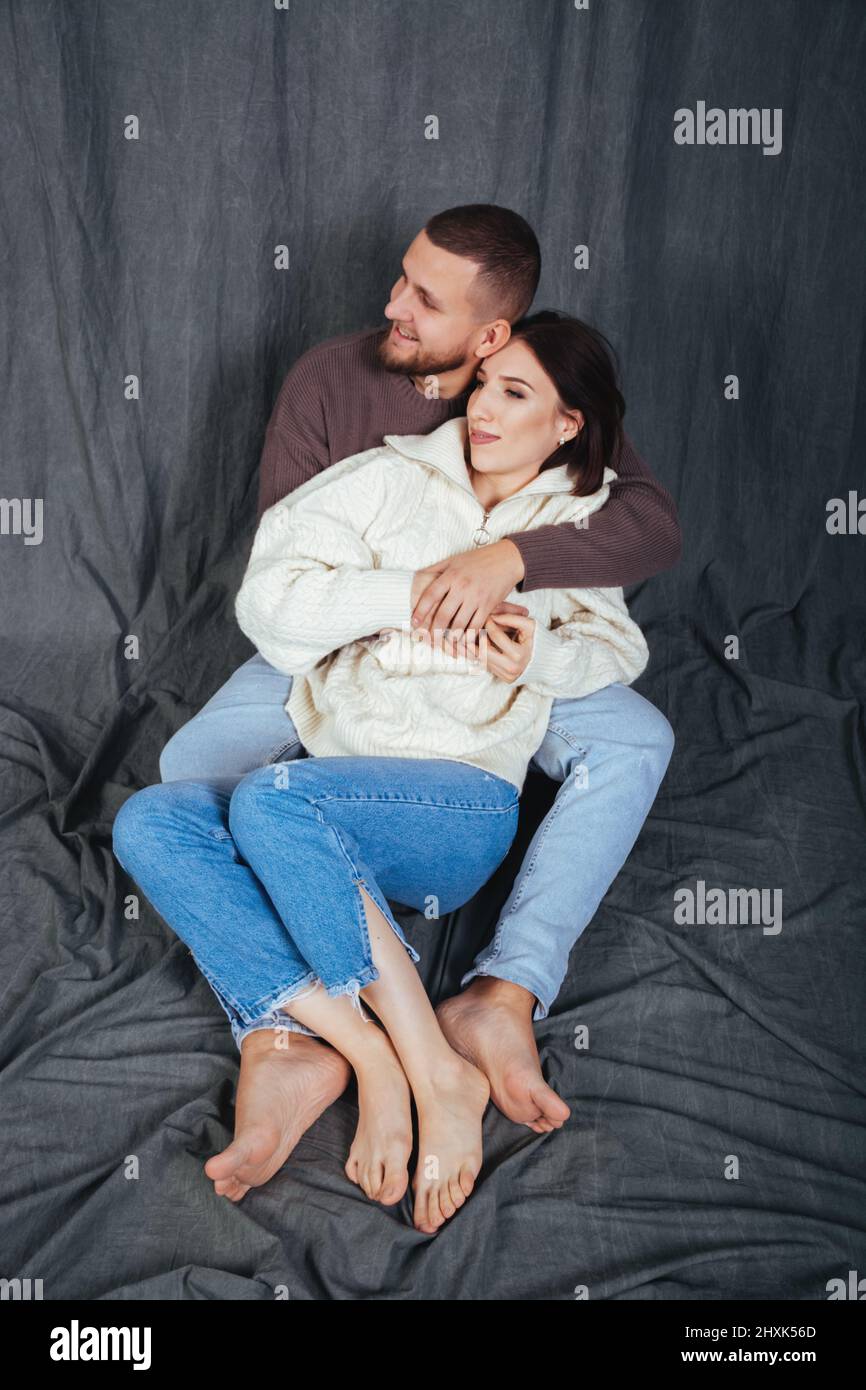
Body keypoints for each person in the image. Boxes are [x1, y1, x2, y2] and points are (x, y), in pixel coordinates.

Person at [156, 204, 678, 1186]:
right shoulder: (329, 381)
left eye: (422, 301)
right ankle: (293, 1027)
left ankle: (500, 990)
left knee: (635, 738)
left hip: (493, 648)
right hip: (348, 648)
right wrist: (405, 606)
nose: (391, 305)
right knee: (188, 773)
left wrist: (507, 560)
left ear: (490, 339)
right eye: (401, 278)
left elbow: (645, 525)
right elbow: (288, 562)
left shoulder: (526, 379)